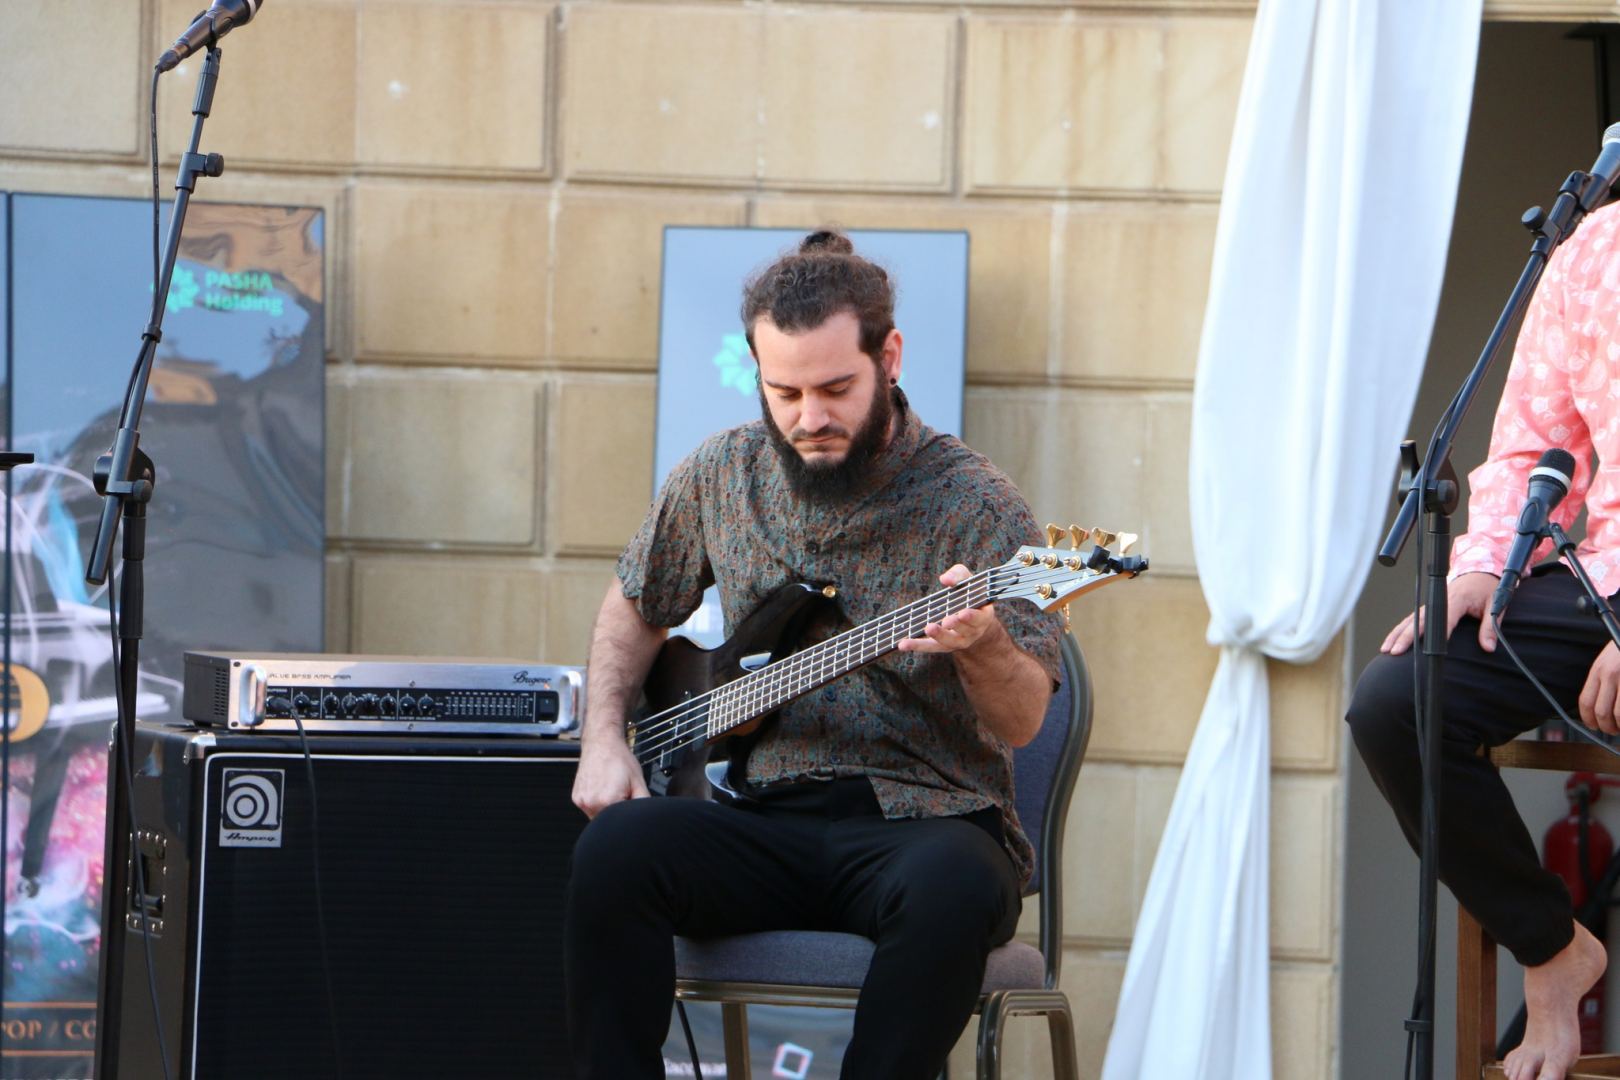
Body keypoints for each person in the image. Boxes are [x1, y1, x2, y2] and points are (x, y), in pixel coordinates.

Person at [563, 230, 1065, 1079]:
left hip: (929, 822)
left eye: (836, 387)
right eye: (783, 390)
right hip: (761, 819)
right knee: (616, 853)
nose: (810, 417)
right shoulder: (720, 473)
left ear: (890, 355)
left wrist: (979, 643)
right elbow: (634, 605)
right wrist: (604, 737)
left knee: (953, 886)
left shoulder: (978, 504)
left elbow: (1020, 720)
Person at [1347, 202, 1620, 1080]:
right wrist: (1485, 566)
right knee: (1402, 697)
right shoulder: (1592, 248)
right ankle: (1549, 946)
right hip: (1603, 579)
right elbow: (1534, 448)